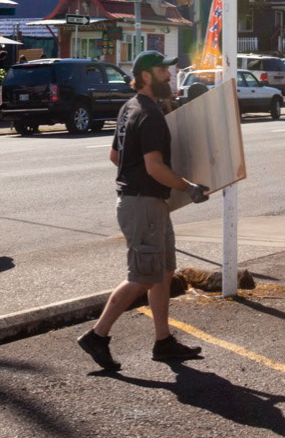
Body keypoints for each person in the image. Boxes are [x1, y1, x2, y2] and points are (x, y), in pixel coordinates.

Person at [78, 50, 209, 372]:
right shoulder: (149, 114)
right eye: (164, 71)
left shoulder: (129, 108)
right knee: (141, 277)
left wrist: (137, 173)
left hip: (146, 203)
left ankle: (163, 341)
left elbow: (114, 156)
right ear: (147, 75)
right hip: (142, 204)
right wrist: (188, 187)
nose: (170, 76)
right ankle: (97, 335)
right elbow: (154, 167)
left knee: (162, 273)